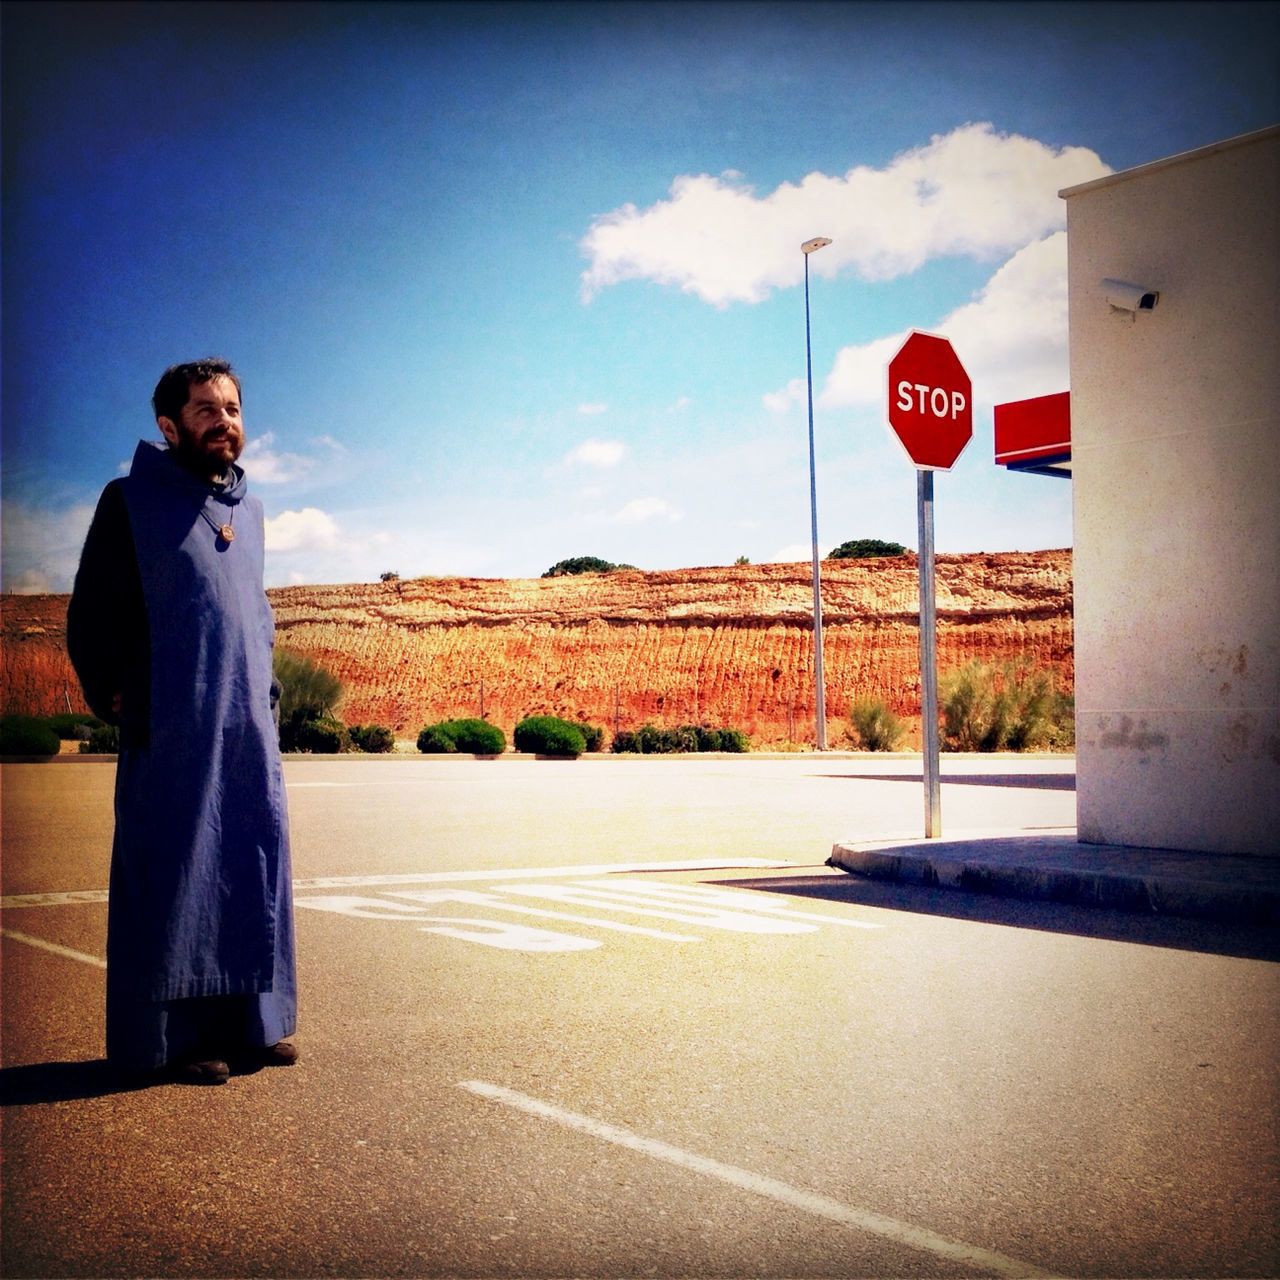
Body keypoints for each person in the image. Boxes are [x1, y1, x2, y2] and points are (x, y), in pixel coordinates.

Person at [68, 358, 297, 1085]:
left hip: (246, 726)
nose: (223, 420)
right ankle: (175, 1042)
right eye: (205, 410)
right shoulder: (130, 501)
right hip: (171, 723)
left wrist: (267, 689)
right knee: (176, 872)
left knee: (250, 864)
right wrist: (112, 692)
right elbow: (91, 610)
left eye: (231, 408)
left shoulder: (250, 511)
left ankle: (254, 1027)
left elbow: (250, 613)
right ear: (170, 426)